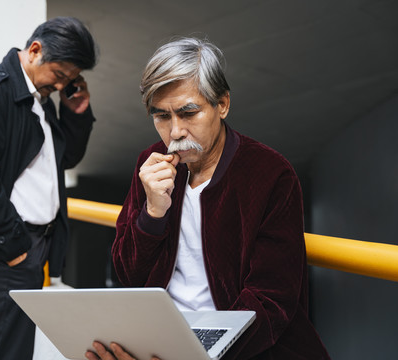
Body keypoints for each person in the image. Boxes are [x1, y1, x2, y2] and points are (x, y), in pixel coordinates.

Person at [92, 37, 330, 360]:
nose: (175, 131)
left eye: (188, 113)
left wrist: (192, 354)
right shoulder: (150, 164)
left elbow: (270, 303)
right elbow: (127, 273)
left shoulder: (271, 174)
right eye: (161, 116)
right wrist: (152, 213)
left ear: (222, 104)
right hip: (162, 343)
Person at [0, 17, 97, 359]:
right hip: (7, 249)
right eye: (60, 76)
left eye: (70, 81)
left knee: (16, 347)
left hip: (32, 245)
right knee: (6, 351)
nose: (61, 86)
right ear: (35, 50)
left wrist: (77, 113)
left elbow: (64, 159)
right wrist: (14, 247)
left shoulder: (41, 100)